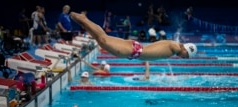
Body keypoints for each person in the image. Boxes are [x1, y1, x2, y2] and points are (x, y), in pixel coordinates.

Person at [69, 12, 197, 61]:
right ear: (186, 49)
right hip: (135, 51)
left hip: (135, 51)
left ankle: (84, 21)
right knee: (103, 39)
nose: (183, 58)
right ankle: (84, 20)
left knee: (102, 39)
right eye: (186, 56)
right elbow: (177, 48)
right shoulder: (175, 46)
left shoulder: (173, 45)